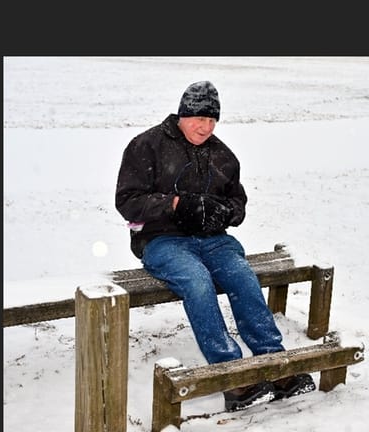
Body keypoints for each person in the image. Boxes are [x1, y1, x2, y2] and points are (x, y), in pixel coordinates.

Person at [115, 80, 315, 412]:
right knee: (197, 281)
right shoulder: (146, 146)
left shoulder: (222, 155)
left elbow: (238, 202)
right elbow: (127, 202)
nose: (205, 127)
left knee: (242, 276)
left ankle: (273, 361)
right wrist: (176, 204)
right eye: (198, 118)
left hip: (214, 241)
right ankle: (232, 375)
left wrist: (227, 212)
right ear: (183, 113)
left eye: (212, 120)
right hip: (162, 241)